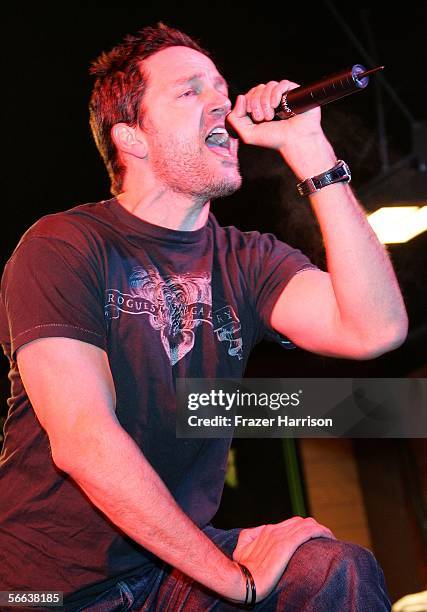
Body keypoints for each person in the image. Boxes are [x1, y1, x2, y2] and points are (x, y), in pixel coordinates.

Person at [0, 22, 407, 611]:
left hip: (170, 570)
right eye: (189, 92)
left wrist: (311, 153)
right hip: (48, 588)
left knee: (332, 571)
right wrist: (236, 580)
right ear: (131, 138)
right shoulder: (65, 244)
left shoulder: (247, 259)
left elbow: (376, 330)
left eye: (221, 88)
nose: (222, 101)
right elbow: (85, 442)